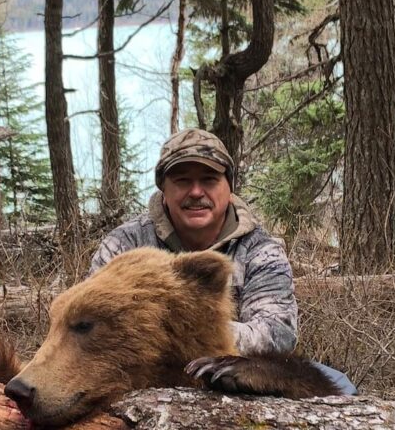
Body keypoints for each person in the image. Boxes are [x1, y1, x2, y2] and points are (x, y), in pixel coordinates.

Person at [90, 128, 356, 394]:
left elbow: (277, 334)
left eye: (209, 180)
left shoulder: (261, 250)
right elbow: (94, 325)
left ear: (229, 186)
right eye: (182, 180)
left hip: (238, 371)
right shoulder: (124, 244)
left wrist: (187, 340)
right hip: (145, 370)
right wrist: (170, 345)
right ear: (163, 190)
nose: (196, 192)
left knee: (340, 386)